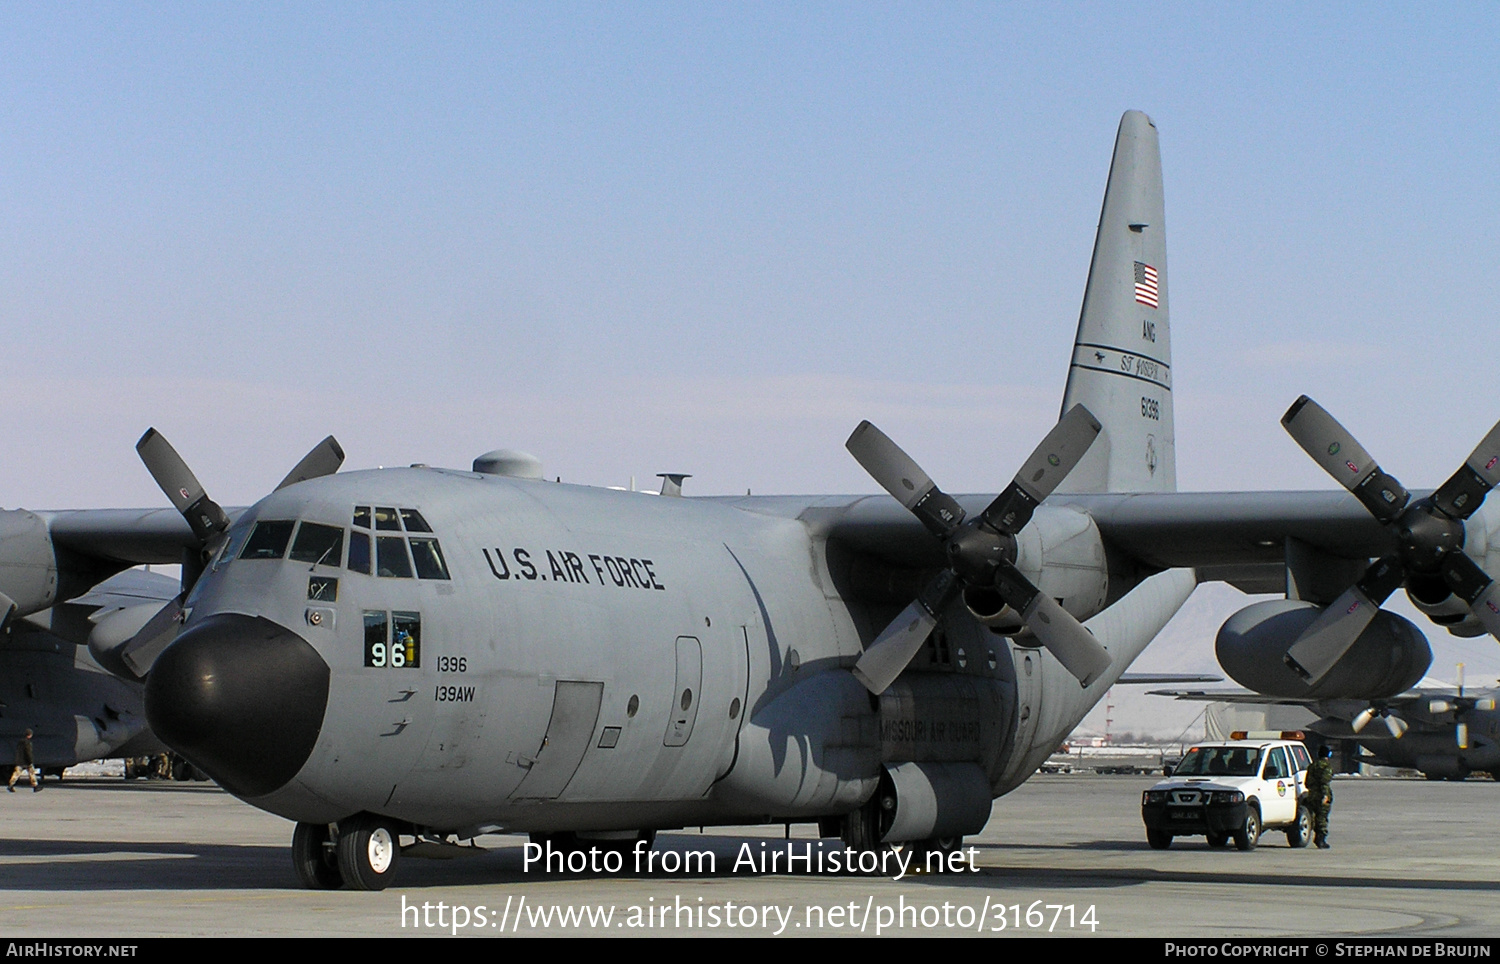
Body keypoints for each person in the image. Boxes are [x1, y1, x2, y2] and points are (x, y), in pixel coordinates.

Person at [1305, 744, 1335, 849]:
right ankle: (1320, 839)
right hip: (1321, 795)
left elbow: (1307, 783)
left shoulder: (1312, 766)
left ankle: (1316, 835)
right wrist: (1325, 795)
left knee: (1313, 816)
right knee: (1322, 817)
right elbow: (1324, 782)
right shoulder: (1326, 767)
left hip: (1312, 795)